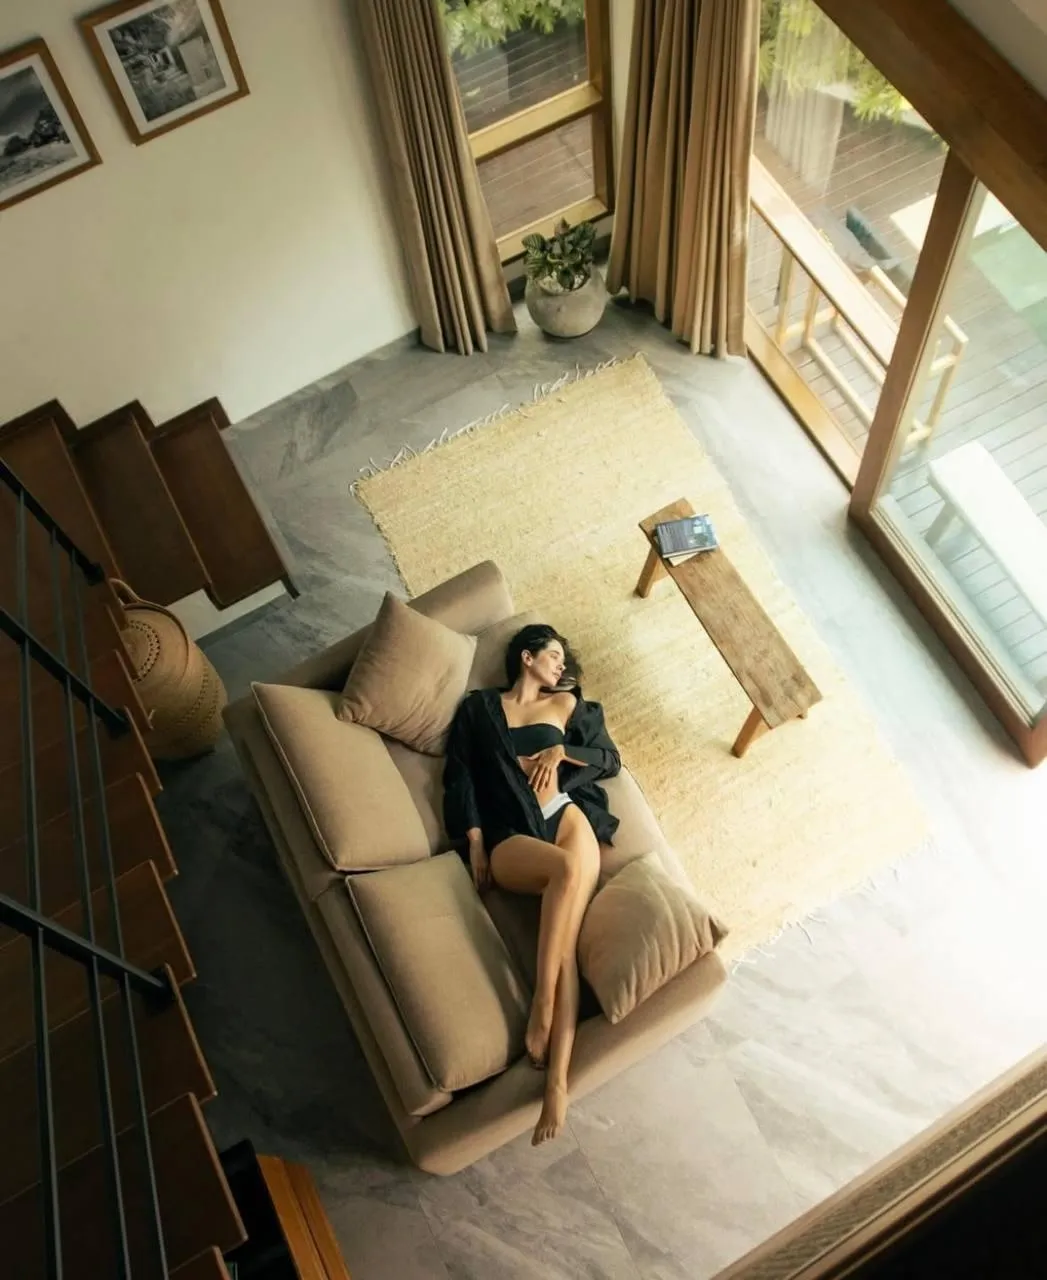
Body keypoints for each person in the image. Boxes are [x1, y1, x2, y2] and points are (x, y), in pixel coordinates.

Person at [443, 624, 621, 1146]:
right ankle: (541, 1005)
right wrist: (474, 840)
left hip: (565, 818)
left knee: (565, 950)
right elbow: (460, 773)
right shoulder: (479, 708)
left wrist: (559, 754)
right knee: (562, 875)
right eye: (553, 656)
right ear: (526, 657)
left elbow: (609, 760)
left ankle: (557, 1086)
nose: (561, 667)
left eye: (564, 661)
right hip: (511, 834)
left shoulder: (567, 706)